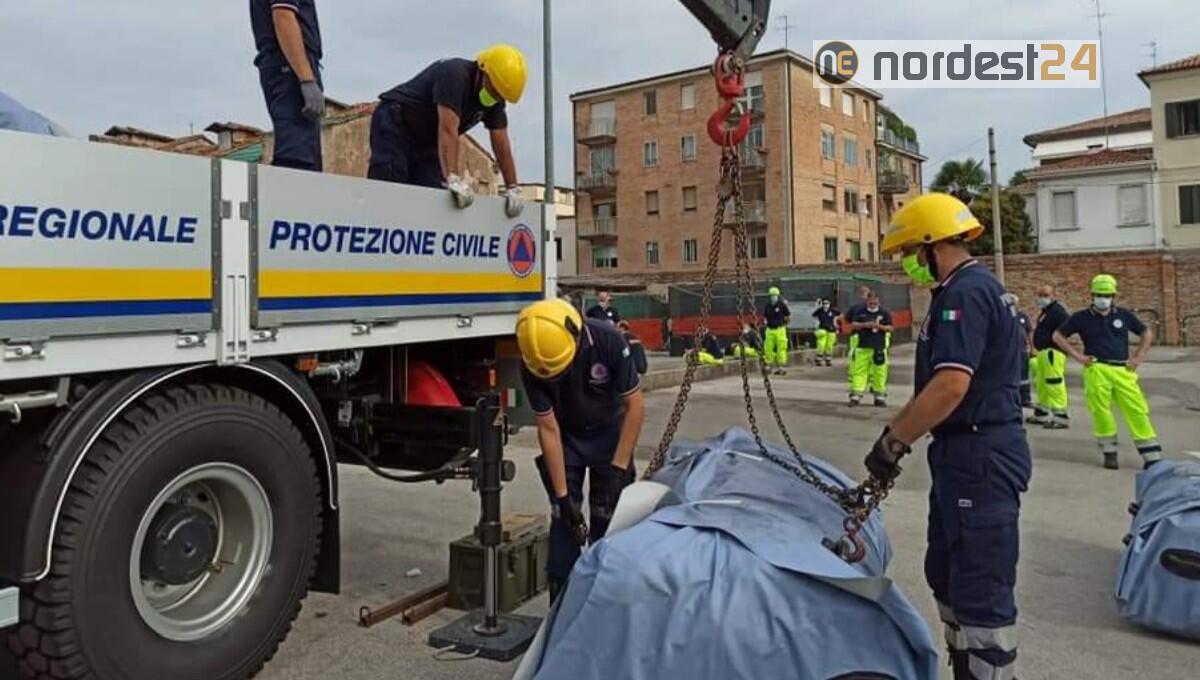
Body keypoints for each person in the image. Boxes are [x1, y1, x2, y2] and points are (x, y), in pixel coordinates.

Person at [864, 193, 1031, 680]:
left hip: (981, 453)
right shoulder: (970, 290)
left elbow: (950, 386)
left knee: (979, 586)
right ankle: (965, 667)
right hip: (964, 452)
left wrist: (894, 444)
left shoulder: (964, 294)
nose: (911, 265)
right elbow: (936, 390)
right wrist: (894, 431)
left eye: (912, 252)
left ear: (933, 245)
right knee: (949, 574)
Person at [516, 299, 645, 601]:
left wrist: (618, 469)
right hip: (566, 437)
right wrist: (564, 498)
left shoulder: (608, 340)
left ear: (576, 337)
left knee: (611, 520)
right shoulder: (533, 358)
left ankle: (608, 601)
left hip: (609, 433)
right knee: (564, 523)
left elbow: (635, 406)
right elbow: (548, 429)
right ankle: (561, 602)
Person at [368, 45, 526, 218]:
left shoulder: (494, 102)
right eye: (493, 90)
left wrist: (513, 188)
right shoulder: (455, 76)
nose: (495, 97)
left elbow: (502, 144)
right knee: (390, 190)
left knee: (433, 196)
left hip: (427, 139)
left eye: (500, 95)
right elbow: (448, 130)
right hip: (396, 122)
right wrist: (453, 178)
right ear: (483, 71)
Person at [1053, 274, 1161, 470]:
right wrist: (1078, 356)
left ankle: (1151, 456)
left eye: (1107, 295)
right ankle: (1109, 452)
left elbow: (1146, 332)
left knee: (1137, 410)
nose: (1103, 298)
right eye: (1099, 294)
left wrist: (1138, 357)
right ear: (1092, 295)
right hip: (1097, 368)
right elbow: (1058, 335)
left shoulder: (1123, 315)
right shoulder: (1081, 317)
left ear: (1113, 295)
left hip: (1123, 368)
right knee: (1101, 412)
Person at [250, 0, 325, 171]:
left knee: (303, 155)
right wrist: (306, 79)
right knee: (298, 157)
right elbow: (283, 15)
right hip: (290, 63)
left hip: (286, 63)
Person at [1029, 285, 1070, 429]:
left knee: (1054, 383)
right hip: (1043, 353)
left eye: (1045, 295)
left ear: (1053, 295)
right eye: (1039, 295)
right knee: (1041, 382)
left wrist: (1055, 340)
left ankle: (1060, 417)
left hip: (1053, 352)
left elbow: (1068, 326)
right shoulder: (1046, 312)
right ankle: (1042, 413)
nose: (1041, 298)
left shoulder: (1057, 311)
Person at [846, 293, 893, 407]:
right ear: (867, 302)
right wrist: (865, 325)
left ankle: (879, 397)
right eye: (870, 303)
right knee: (859, 371)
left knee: (880, 372)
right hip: (863, 346)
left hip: (879, 347)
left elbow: (890, 328)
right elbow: (854, 324)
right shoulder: (861, 311)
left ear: (878, 302)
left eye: (875, 303)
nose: (872, 305)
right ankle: (856, 396)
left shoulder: (884, 313)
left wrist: (880, 327)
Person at [762, 286, 791, 375]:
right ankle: (768, 366)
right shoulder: (767, 305)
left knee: (781, 347)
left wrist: (785, 324)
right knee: (768, 348)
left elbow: (788, 316)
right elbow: (765, 316)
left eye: (774, 295)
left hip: (780, 329)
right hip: (770, 329)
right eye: (771, 295)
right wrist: (765, 323)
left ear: (778, 296)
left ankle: (781, 367)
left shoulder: (782, 305)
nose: (773, 297)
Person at [1012, 295, 1034, 408]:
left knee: (1024, 376)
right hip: (1009, 352)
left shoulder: (1023, 316)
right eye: (1012, 303)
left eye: (1015, 303)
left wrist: (1032, 348)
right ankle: (1012, 398)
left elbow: (1029, 332)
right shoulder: (1005, 315)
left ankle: (1025, 399)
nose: (1014, 305)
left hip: (1022, 351)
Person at [812, 298, 840, 367]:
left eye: (827, 303)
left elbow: (839, 316)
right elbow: (814, 316)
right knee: (821, 345)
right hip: (822, 330)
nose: (825, 305)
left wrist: (836, 325)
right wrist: (816, 325)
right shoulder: (820, 310)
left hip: (831, 330)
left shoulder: (833, 311)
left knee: (829, 346)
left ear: (829, 304)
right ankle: (818, 360)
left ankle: (828, 360)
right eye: (824, 303)